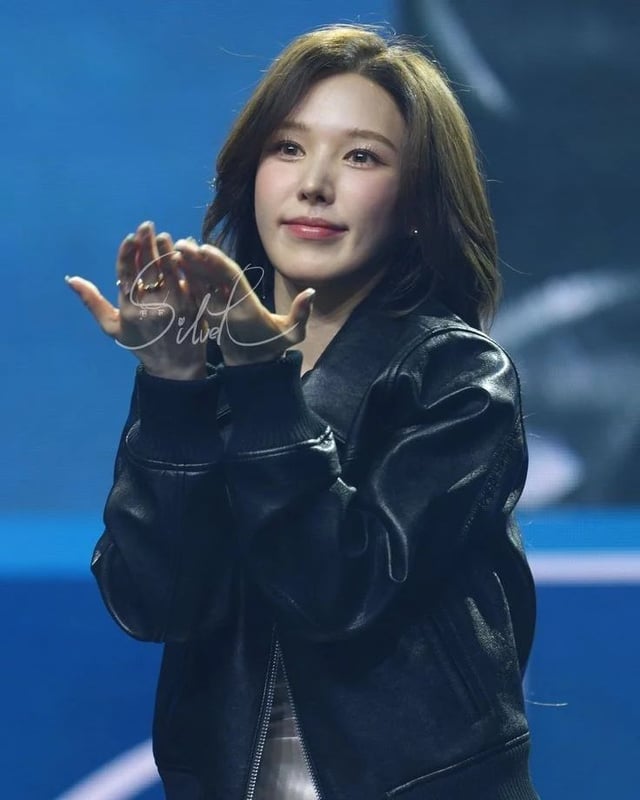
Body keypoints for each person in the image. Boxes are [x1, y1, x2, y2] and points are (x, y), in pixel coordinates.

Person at [66, 24, 539, 800]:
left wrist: (263, 383)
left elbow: (338, 590)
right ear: (250, 174)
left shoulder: (458, 376)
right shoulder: (208, 367)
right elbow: (154, 603)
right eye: (288, 147)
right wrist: (173, 386)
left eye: (362, 157)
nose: (314, 184)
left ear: (416, 203)